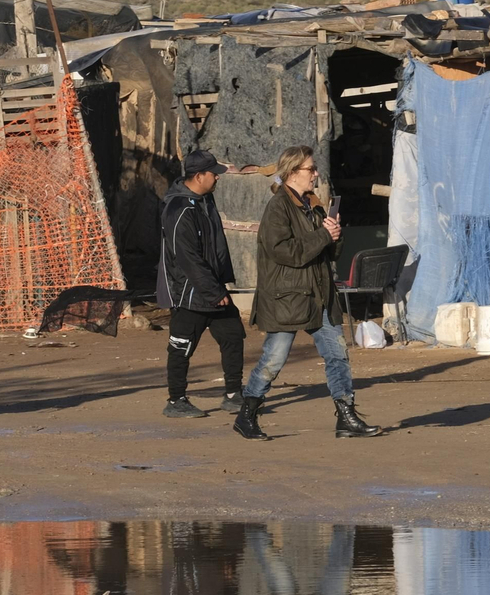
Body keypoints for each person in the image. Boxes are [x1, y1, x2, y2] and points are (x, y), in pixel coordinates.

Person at [236, 145, 382, 440]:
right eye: (310, 169)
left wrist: (334, 234)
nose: (316, 174)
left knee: (337, 355)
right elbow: (285, 252)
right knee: (274, 360)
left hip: (319, 295)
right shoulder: (278, 208)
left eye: (315, 169)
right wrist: (323, 235)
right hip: (286, 298)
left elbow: (327, 252)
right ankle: (247, 414)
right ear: (292, 173)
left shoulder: (312, 205)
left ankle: (346, 416)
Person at [157, 149, 245, 419]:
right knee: (181, 346)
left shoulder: (204, 201)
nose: (217, 178)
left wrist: (219, 285)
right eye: (213, 174)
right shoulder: (178, 210)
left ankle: (233, 394)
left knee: (232, 335)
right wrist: (212, 291)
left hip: (212, 288)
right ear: (198, 176)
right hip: (189, 293)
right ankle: (176, 400)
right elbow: (187, 259)